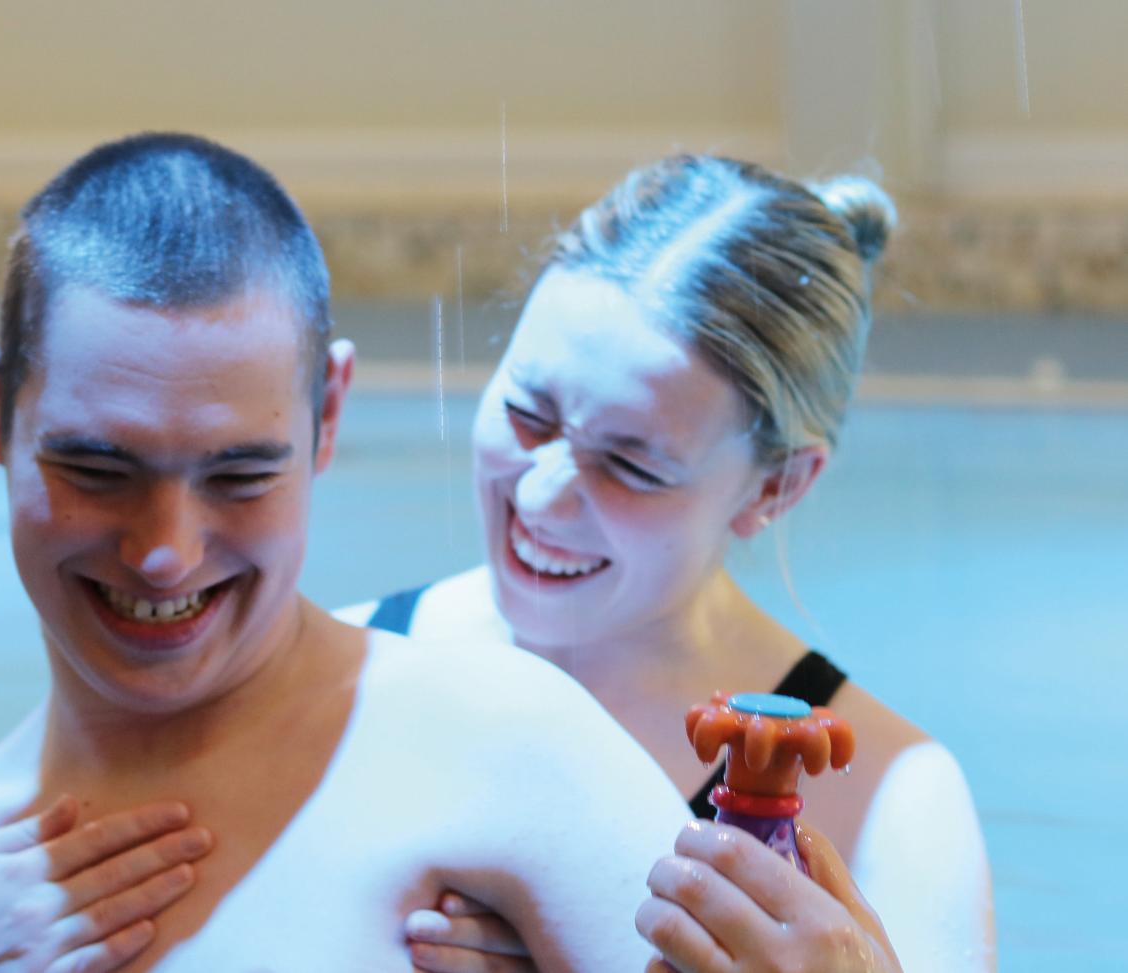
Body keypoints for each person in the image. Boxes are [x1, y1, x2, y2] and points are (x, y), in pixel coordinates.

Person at [0, 133, 697, 972]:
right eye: (98, 470)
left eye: (238, 478)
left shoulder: (503, 750)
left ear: (327, 415)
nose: (164, 553)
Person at [339, 156, 995, 972]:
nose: (541, 497)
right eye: (526, 412)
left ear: (778, 485)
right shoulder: (329, 670)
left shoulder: (891, 808)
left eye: (634, 466)